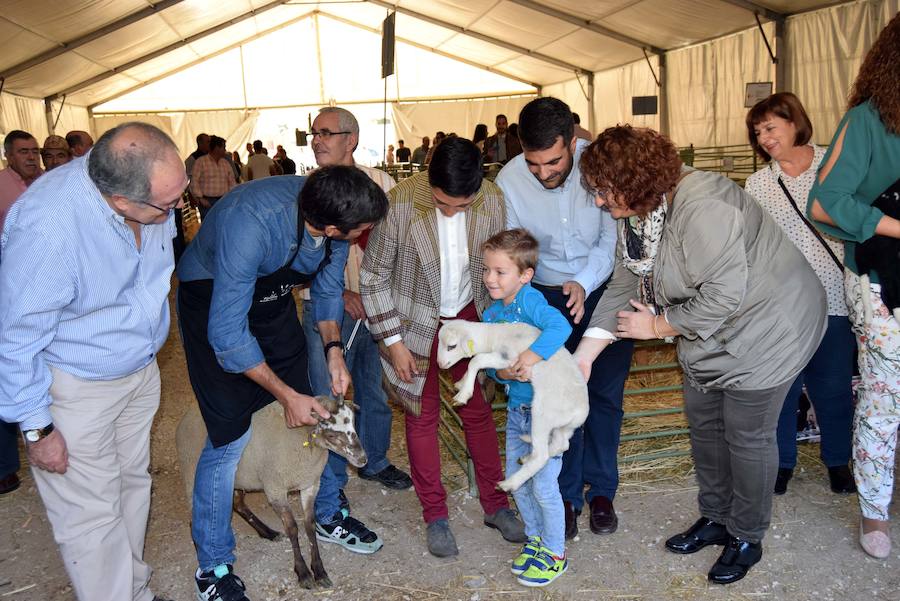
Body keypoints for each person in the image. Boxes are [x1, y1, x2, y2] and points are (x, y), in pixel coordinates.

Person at [574, 124, 826, 584]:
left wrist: (655, 326)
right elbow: (626, 282)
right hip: (711, 332)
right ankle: (716, 517)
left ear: (632, 181)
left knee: (747, 436)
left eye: (603, 191)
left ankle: (747, 535)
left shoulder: (704, 205)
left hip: (770, 327)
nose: (598, 202)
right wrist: (585, 355)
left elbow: (722, 296)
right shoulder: (639, 214)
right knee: (706, 423)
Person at [177, 166, 389, 601]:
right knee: (227, 435)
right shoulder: (251, 223)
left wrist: (334, 352)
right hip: (216, 307)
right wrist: (284, 393)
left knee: (307, 419)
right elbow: (228, 336)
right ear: (333, 226)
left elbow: (329, 293)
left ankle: (325, 513)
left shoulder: (330, 226)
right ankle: (214, 565)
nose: (363, 234)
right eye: (361, 230)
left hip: (272, 305)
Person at [0, 122, 187, 601]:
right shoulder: (48, 223)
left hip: (138, 371)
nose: (174, 212)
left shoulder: (145, 193)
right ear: (120, 201)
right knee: (90, 514)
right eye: (167, 206)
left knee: (131, 486)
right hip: (76, 385)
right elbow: (15, 335)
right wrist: (36, 428)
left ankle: (134, 590)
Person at [360, 137, 525, 558]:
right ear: (428, 179)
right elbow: (374, 276)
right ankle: (435, 514)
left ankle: (496, 504)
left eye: (461, 205)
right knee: (421, 417)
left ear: (478, 187)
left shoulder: (492, 200)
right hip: (413, 324)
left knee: (479, 412)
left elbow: (502, 266)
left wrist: (502, 329)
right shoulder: (398, 203)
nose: (452, 211)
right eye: (442, 202)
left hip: (470, 317)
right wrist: (393, 342)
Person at [495, 97, 630, 541]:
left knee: (605, 395)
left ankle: (603, 491)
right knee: (554, 399)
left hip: (607, 288)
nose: (543, 172)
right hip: (545, 298)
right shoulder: (511, 179)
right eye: (534, 163)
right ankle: (567, 497)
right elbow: (518, 250)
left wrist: (584, 283)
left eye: (553, 161)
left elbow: (613, 235)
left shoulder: (600, 164)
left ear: (574, 141)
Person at [808, 13, 900, 560]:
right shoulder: (868, 121)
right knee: (884, 397)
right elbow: (825, 202)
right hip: (880, 279)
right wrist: (892, 225)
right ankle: (873, 511)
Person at [305, 106, 410, 549]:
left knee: (373, 386)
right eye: (313, 133)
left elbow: (398, 244)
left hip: (378, 306)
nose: (317, 140)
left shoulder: (382, 184)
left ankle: (374, 459)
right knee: (327, 394)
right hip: (328, 308)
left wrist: (379, 298)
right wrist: (340, 295)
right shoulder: (307, 190)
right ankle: (329, 484)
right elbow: (305, 257)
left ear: (351, 138)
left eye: (327, 133)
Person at [744, 92, 856, 496]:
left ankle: (839, 462)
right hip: (783, 306)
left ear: (795, 123)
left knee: (834, 386)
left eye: (770, 128)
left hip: (837, 297)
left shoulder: (835, 166)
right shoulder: (758, 184)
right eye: (758, 133)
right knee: (783, 388)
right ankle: (782, 463)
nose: (765, 139)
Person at [481, 228, 572, 587]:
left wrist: (532, 355)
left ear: (525, 275)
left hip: (548, 411)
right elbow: (490, 363)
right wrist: (500, 372)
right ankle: (535, 540)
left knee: (545, 485)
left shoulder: (530, 302)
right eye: (487, 269)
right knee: (520, 483)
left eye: (500, 272)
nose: (490, 278)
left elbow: (559, 326)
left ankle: (555, 553)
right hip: (519, 411)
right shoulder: (490, 315)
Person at [0, 130, 42, 228]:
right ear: (9, 157)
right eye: (24, 152)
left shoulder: (51, 180)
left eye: (35, 152)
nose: (31, 157)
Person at [190, 135, 236, 219]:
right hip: (207, 201)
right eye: (223, 147)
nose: (225, 150)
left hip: (223, 200)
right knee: (209, 227)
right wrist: (200, 198)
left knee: (223, 223)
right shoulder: (201, 162)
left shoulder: (225, 163)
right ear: (216, 148)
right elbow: (194, 181)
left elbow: (232, 181)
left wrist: (231, 197)